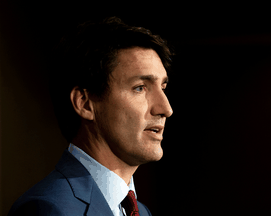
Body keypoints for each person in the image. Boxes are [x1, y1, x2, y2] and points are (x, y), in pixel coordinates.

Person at [8, 16, 173, 216]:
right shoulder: (48, 209)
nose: (166, 108)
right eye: (140, 88)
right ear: (85, 104)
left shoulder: (142, 212)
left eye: (163, 87)